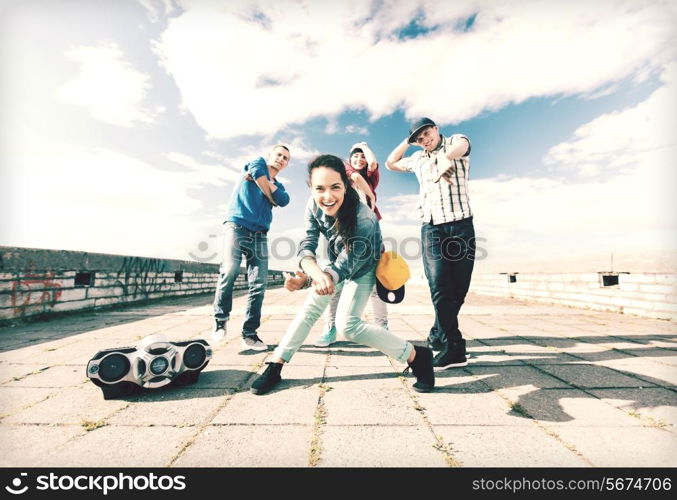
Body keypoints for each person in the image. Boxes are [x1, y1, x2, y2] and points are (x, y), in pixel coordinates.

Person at [250, 154, 434, 395]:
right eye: (320, 189)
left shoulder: (364, 218)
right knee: (310, 310)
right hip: (335, 262)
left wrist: (313, 279)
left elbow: (347, 266)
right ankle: (275, 364)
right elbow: (308, 242)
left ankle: (416, 355)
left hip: (364, 267)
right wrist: (311, 273)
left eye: (335, 187)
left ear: (346, 186)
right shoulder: (313, 205)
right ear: (311, 188)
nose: (327, 197)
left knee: (348, 326)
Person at [385, 117, 475, 369]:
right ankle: (454, 345)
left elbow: (465, 144)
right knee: (438, 285)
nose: (425, 140)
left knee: (458, 289)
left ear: (435, 129)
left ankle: (437, 332)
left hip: (461, 225)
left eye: (426, 133)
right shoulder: (418, 159)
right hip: (432, 227)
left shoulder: (454, 143)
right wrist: (408, 141)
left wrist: (447, 158)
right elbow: (390, 163)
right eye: (419, 139)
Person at [211, 145, 291, 351]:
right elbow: (257, 174)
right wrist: (269, 193)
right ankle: (220, 320)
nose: (281, 159)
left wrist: (269, 188)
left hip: (260, 235)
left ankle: (250, 334)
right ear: (270, 156)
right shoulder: (256, 162)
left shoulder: (279, 185)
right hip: (236, 227)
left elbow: (284, 200)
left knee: (259, 284)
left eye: (285, 158)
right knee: (229, 271)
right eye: (279, 155)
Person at [313, 141, 389, 347]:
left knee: (376, 285)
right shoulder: (344, 172)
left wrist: (365, 147)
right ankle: (330, 329)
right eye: (355, 156)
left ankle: (382, 329)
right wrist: (371, 195)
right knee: (336, 283)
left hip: (370, 234)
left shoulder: (371, 178)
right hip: (344, 232)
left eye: (362, 156)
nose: (359, 159)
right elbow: (354, 176)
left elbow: (372, 163)